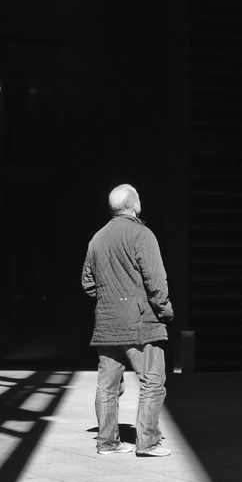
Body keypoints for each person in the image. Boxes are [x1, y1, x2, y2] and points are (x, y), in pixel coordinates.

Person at [81, 183, 174, 457]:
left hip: (107, 325)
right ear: (135, 204)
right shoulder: (142, 234)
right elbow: (156, 280)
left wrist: (110, 299)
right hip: (140, 324)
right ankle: (148, 442)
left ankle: (107, 443)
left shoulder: (97, 238)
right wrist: (165, 310)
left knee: (107, 386)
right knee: (153, 381)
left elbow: (87, 283)